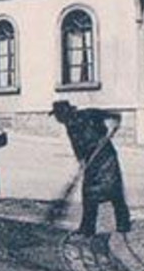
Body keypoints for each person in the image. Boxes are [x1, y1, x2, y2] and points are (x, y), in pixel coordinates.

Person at [52, 99, 131, 235]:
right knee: (89, 193)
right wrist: (81, 161)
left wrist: (114, 125)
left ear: (65, 113)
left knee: (114, 190)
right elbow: (77, 146)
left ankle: (123, 224)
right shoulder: (69, 126)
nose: (57, 118)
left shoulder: (88, 114)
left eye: (58, 115)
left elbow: (115, 116)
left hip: (106, 157)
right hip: (91, 159)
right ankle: (88, 227)